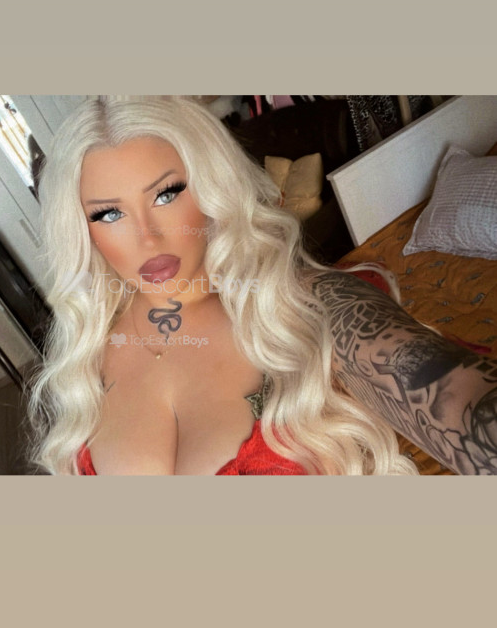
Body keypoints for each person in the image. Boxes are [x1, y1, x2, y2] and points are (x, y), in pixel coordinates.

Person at [28, 95, 497, 476]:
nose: (147, 238)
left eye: (167, 194)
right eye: (109, 213)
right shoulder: (82, 360)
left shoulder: (304, 306)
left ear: (213, 187)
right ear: (81, 231)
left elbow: (462, 401)